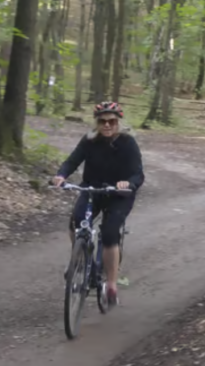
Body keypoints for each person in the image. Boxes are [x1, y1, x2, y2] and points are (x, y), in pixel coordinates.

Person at [51, 101, 144, 306]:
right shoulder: (90, 140)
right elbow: (72, 161)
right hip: (93, 189)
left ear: (118, 122)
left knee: (110, 233)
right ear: (97, 123)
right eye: (102, 121)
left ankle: (111, 285)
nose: (107, 125)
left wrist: (128, 183)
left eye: (112, 121)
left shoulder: (128, 143)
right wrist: (61, 175)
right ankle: (83, 263)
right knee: (76, 223)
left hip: (119, 194)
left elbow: (138, 174)